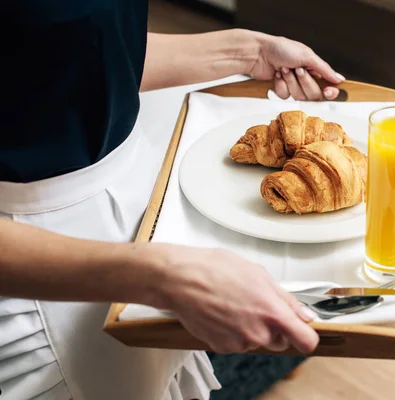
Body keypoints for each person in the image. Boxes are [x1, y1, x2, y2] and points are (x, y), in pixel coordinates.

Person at [0, 1, 346, 399]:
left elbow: (69, 54)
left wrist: (248, 52)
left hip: (139, 202)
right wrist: (159, 276)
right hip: (35, 270)